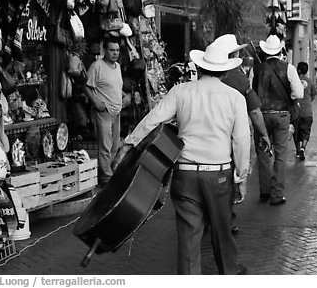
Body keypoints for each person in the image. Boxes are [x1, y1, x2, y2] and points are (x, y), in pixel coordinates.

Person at [120, 43, 250, 275]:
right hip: (219, 175)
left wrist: (130, 142)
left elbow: (154, 119)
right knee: (223, 233)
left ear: (199, 68)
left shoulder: (181, 92)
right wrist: (241, 175)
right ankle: (229, 274)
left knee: (189, 241)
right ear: (226, 71)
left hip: (186, 174)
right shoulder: (235, 98)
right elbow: (241, 140)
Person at [210, 34, 271, 234]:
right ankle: (226, 220)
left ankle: (210, 218)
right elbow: (254, 111)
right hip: (228, 137)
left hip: (206, 139)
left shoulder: (204, 76)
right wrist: (263, 134)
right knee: (226, 177)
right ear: (234, 54)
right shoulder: (237, 77)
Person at [251, 34, 303, 205]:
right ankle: (277, 195)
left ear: (265, 51)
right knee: (281, 155)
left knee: (263, 153)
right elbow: (299, 93)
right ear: (280, 50)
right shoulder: (289, 68)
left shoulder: (256, 69)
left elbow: (251, 92)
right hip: (281, 115)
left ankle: (264, 191)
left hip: (261, 115)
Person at [84, 37, 123, 187]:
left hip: (116, 111)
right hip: (104, 111)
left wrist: (124, 97)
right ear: (104, 51)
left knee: (114, 145)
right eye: (112, 50)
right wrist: (95, 101)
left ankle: (107, 172)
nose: (115, 53)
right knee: (105, 146)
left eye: (117, 50)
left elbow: (115, 87)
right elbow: (86, 86)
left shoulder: (117, 67)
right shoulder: (97, 66)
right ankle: (106, 177)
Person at [291, 62, 317, 161]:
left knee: (296, 132)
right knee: (306, 131)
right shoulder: (310, 82)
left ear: (298, 70)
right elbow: (314, 94)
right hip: (307, 111)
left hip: (296, 111)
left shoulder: (293, 81)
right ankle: (303, 147)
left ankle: (298, 150)